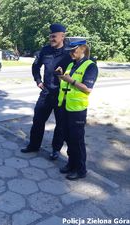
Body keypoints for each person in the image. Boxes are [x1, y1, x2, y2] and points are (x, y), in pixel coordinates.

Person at [21, 23, 72, 160]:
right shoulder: (45, 50)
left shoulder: (69, 53)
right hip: (46, 93)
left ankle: (55, 150)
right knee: (37, 120)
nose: (51, 39)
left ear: (63, 36)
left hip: (62, 95)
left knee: (60, 124)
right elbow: (35, 66)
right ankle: (33, 145)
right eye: (50, 36)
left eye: (54, 36)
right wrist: (38, 81)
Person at [56, 38, 98, 180]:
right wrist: (61, 76)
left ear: (83, 49)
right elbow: (67, 84)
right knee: (68, 137)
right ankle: (71, 164)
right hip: (65, 106)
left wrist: (70, 80)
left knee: (77, 140)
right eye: (70, 51)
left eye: (73, 50)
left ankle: (80, 170)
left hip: (77, 110)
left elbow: (87, 89)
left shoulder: (90, 66)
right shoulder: (72, 64)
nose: (71, 53)